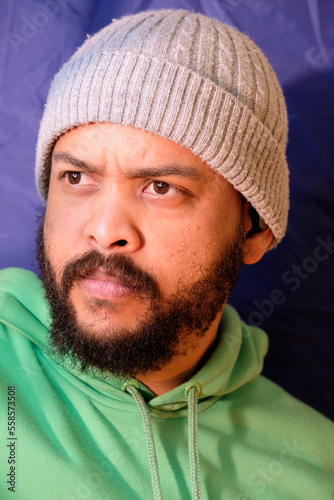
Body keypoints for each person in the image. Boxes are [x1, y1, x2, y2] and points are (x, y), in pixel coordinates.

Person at [0, 9, 333, 500]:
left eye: (161, 187)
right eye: (76, 177)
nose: (106, 230)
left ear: (255, 231)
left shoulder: (316, 468)